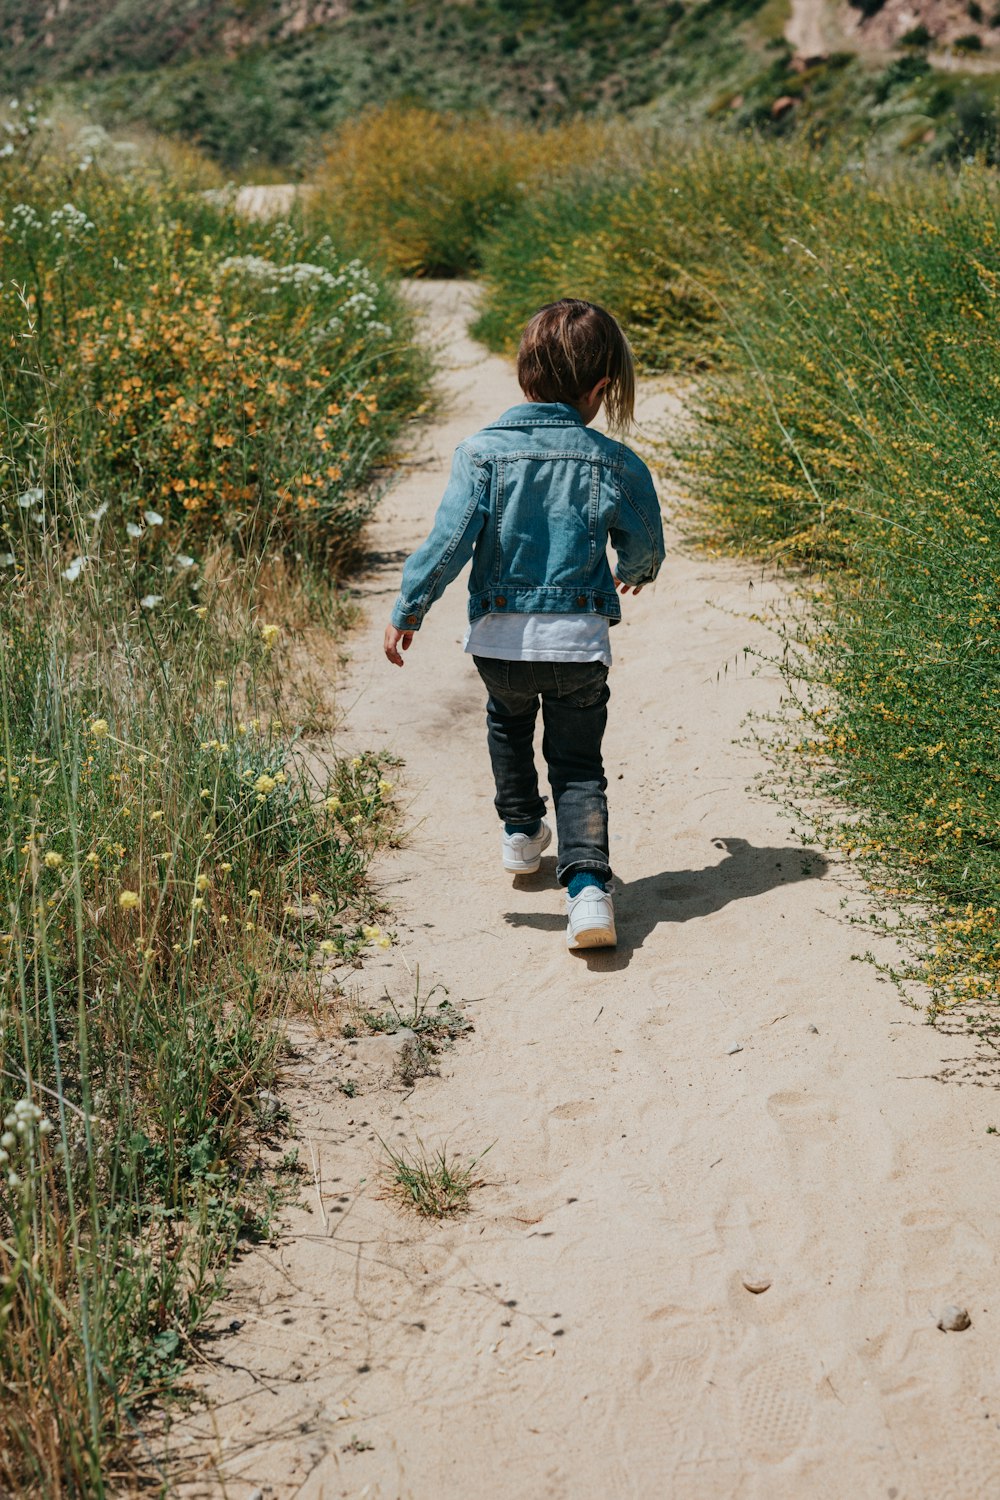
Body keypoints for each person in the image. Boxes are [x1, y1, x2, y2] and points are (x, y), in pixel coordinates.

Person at [383, 298, 664, 950]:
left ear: (522, 375)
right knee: (576, 764)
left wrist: (410, 608)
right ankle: (589, 891)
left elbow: (447, 542)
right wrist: (636, 569)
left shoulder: (480, 455)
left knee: (506, 723)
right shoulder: (613, 461)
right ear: (600, 389)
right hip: (576, 644)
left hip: (499, 644)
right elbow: (646, 536)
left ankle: (519, 832)